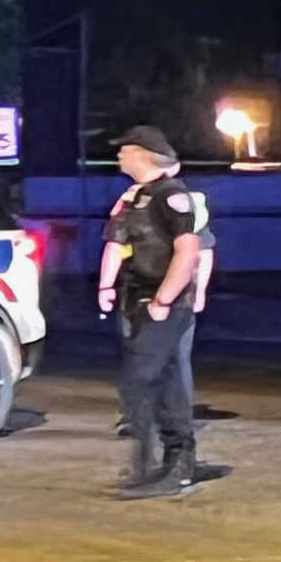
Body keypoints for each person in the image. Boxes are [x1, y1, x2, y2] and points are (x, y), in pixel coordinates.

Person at [99, 127, 215, 499]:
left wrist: (165, 299)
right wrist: (109, 287)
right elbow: (118, 246)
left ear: (143, 156)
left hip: (165, 303)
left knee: (155, 379)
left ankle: (178, 466)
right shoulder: (137, 198)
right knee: (151, 381)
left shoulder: (173, 196)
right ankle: (156, 466)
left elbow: (189, 252)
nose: (119, 156)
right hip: (139, 300)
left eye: (125, 150)